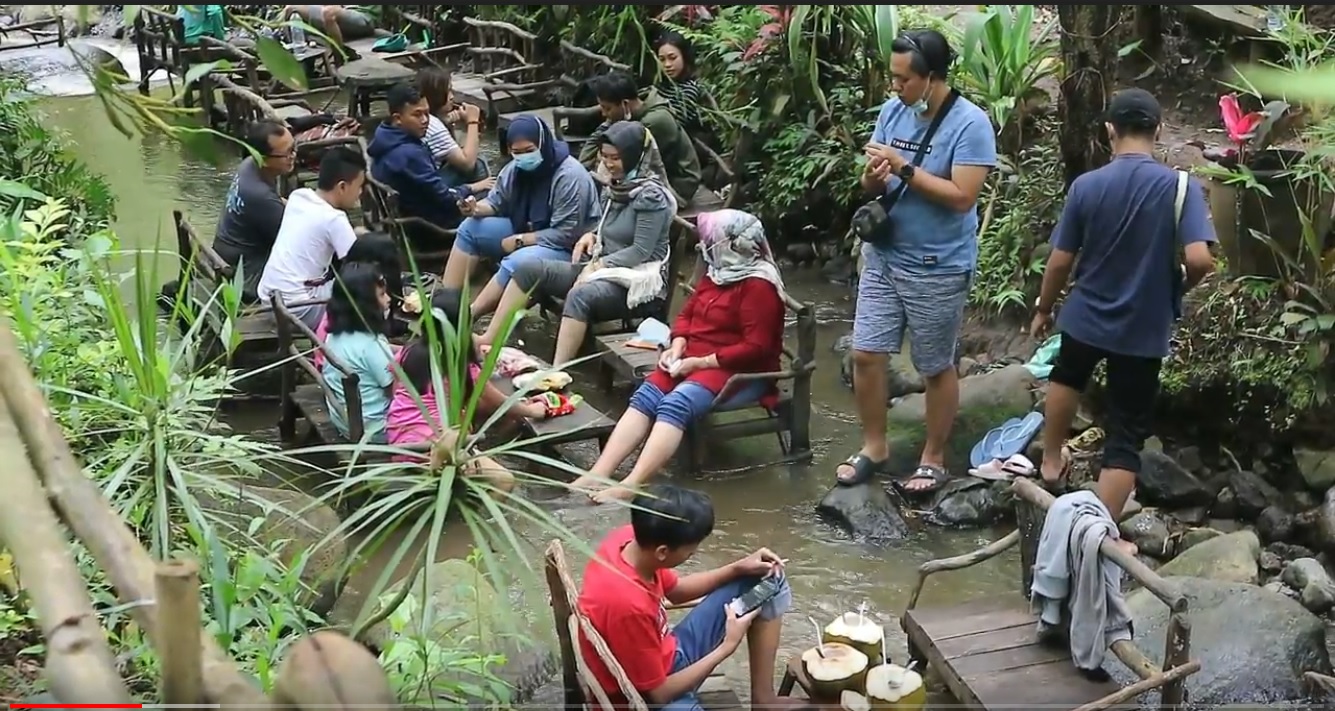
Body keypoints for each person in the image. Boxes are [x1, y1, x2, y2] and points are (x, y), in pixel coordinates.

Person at [1031, 88, 1216, 537]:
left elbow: (1059, 261)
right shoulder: (1181, 187)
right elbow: (1200, 260)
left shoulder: (1087, 186)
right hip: (1142, 325)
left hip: (1085, 315)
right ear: (1159, 131)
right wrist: (1177, 285)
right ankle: (1094, 533)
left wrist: (1044, 306)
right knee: (1126, 436)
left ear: (1109, 131)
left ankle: (1051, 461)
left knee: (1066, 376)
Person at [839, 29, 996, 496]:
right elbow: (875, 187)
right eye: (893, 79)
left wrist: (904, 167)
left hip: (936, 264)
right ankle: (874, 447)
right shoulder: (892, 112)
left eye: (903, 80)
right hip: (885, 254)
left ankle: (932, 457)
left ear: (931, 78)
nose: (895, 88)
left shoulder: (971, 125)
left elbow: (963, 197)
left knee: (934, 365)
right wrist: (873, 176)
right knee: (866, 354)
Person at [570, 209, 784, 504]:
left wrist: (702, 362)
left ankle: (632, 483)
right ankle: (599, 472)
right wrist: (677, 344)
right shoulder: (718, 271)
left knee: (675, 403)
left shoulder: (758, 287)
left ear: (731, 244)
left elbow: (755, 348)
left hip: (738, 369)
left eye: (712, 240)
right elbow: (687, 315)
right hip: (694, 356)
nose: (705, 246)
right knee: (647, 395)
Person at [577, 485, 804, 710]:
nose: (692, 555)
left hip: (663, 655)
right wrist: (727, 646)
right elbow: (658, 695)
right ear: (663, 552)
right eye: (690, 552)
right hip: (642, 697)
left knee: (769, 580)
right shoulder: (628, 605)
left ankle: (763, 699)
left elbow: (677, 591)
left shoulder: (631, 540)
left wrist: (738, 568)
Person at [477, 122, 674, 367]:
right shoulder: (616, 185)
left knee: (580, 294)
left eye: (616, 158)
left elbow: (641, 250)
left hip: (637, 282)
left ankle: (557, 369)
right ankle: (488, 339)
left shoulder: (650, 196)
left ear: (635, 156)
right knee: (528, 269)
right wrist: (591, 234)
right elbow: (603, 224)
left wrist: (598, 266)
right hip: (602, 268)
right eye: (605, 157)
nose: (609, 164)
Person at [439, 115, 600, 317]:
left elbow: (566, 234)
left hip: (569, 249)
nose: (523, 157)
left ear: (543, 144)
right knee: (470, 228)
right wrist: (475, 209)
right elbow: (496, 202)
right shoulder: (515, 169)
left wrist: (520, 240)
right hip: (527, 227)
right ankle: (446, 305)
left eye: (529, 151)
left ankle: (471, 316)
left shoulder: (569, 176)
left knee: (518, 260)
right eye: (517, 153)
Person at [388, 291, 548, 459]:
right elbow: (500, 402)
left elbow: (396, 393)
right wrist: (532, 411)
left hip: (399, 443)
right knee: (505, 480)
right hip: (434, 450)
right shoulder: (459, 364)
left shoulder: (408, 351)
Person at [257, 146, 367, 329]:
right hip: (297, 311)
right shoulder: (335, 219)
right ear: (342, 187)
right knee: (365, 286)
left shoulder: (298, 197)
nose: (360, 193)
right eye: (359, 186)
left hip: (269, 302)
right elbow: (359, 266)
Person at [368, 84, 489, 232]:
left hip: (411, 207)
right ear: (398, 118)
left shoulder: (384, 133)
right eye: (417, 115)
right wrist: (472, 188)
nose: (425, 120)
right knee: (493, 195)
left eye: (427, 113)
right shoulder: (409, 154)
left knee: (477, 166)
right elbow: (446, 200)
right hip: (430, 227)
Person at [580, 72, 702, 206]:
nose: (604, 114)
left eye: (607, 109)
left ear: (625, 104)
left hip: (678, 185)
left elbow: (637, 165)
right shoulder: (629, 111)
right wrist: (609, 123)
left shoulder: (655, 122)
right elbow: (592, 147)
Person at [213, 120, 293, 300]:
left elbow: (278, 203)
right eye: (287, 153)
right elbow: (291, 242)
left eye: (293, 148)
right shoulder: (260, 195)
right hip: (245, 270)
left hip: (227, 250)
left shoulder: (249, 165)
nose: (293, 156)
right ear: (263, 159)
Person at [322, 262, 395, 443]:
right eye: (381, 295)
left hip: (344, 421)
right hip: (375, 429)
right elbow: (395, 391)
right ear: (366, 304)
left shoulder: (334, 335)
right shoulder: (373, 345)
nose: (388, 299)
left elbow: (363, 359)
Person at [416, 67, 489, 187]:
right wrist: (473, 121)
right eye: (448, 91)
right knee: (478, 163)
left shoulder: (428, 119)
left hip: (421, 179)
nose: (451, 97)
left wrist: (447, 124)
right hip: (429, 186)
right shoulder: (434, 126)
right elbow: (468, 164)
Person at [654, 31, 708, 138]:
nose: (667, 65)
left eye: (672, 58)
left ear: (684, 57)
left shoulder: (690, 89)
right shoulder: (660, 86)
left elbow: (670, 127)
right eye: (662, 60)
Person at [282, 5, 375, 48]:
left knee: (328, 13)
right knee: (291, 9)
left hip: (364, 17)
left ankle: (340, 61)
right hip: (345, 13)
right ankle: (300, 60)